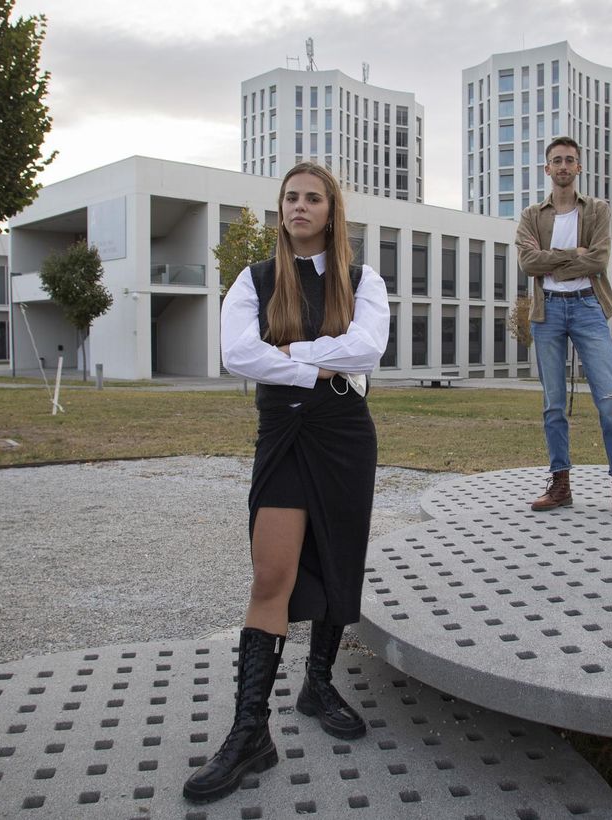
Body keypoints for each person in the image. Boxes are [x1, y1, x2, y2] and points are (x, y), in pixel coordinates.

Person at [184, 161, 389, 804]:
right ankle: (251, 732)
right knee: (271, 574)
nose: (299, 207)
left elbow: (368, 350)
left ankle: (318, 682)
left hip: (344, 437)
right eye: (290, 198)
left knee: (337, 560)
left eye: (312, 198)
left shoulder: (363, 280)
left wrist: (289, 357)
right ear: (281, 210)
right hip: (283, 437)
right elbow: (237, 355)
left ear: (331, 211)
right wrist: (318, 364)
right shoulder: (254, 278)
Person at [516, 136, 612, 520]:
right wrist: (571, 254)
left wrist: (554, 262)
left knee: (609, 400)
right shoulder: (531, 216)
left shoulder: (596, 210)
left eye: (569, 160)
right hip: (548, 313)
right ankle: (560, 485)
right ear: (547, 169)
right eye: (556, 160)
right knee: (553, 404)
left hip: (588, 308)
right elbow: (528, 264)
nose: (562, 166)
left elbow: (598, 261)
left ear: (578, 168)